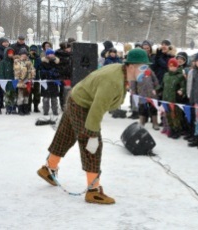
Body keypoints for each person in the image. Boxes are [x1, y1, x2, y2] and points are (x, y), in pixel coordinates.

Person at [37, 48, 150, 204]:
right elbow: (97, 109)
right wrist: (92, 135)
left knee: (65, 135)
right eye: (143, 67)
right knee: (92, 146)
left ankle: (48, 168)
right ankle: (93, 190)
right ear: (131, 66)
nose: (145, 71)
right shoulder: (114, 82)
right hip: (82, 104)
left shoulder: (120, 72)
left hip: (77, 97)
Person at [160, 58, 186, 139]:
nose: (172, 68)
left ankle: (177, 130)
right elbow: (162, 85)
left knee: (175, 116)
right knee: (168, 115)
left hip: (174, 99)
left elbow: (184, 86)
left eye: (174, 66)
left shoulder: (180, 76)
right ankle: (171, 129)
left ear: (176, 67)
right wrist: (157, 90)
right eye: (170, 66)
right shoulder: (166, 75)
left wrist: (181, 90)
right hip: (166, 99)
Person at [13, 48, 36, 115]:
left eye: (25, 54)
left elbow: (32, 69)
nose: (24, 55)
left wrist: (32, 75)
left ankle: (26, 109)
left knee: (26, 96)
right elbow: (17, 70)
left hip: (28, 81)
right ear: (20, 55)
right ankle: (20, 110)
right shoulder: (17, 61)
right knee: (21, 96)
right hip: (21, 81)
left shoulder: (29, 61)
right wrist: (24, 71)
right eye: (23, 54)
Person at [40, 49, 60, 116]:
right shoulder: (43, 63)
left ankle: (55, 111)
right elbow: (42, 73)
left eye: (52, 54)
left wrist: (53, 73)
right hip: (46, 83)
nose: (51, 55)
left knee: (54, 98)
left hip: (54, 83)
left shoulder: (56, 62)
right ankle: (46, 111)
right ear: (47, 55)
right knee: (46, 98)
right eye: (49, 54)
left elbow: (58, 72)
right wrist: (50, 72)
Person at [55, 42, 72, 111]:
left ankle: (69, 105)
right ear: (65, 48)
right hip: (62, 75)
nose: (70, 49)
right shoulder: (60, 55)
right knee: (62, 91)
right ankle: (63, 105)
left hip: (70, 75)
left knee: (70, 92)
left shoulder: (71, 55)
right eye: (68, 48)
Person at [0, 47, 16, 114]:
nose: (11, 54)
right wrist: (3, 80)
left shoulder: (15, 61)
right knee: (7, 95)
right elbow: (1, 72)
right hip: (6, 82)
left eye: (12, 53)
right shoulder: (3, 62)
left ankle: (14, 108)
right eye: (9, 53)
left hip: (14, 81)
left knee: (14, 95)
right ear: (6, 54)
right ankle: (8, 108)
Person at [28, 45, 42, 113]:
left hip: (36, 78)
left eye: (34, 51)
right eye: (31, 51)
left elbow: (40, 66)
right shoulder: (28, 58)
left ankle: (36, 106)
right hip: (28, 78)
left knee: (37, 93)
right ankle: (29, 106)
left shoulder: (38, 59)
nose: (32, 52)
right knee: (29, 93)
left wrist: (37, 58)